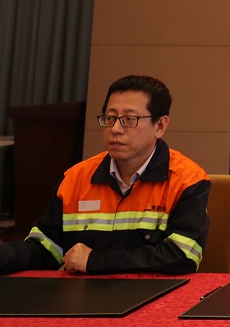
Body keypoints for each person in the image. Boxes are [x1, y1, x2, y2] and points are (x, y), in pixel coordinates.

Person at [0, 75, 211, 275]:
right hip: (82, 296)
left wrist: (94, 261)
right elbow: (46, 248)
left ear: (160, 126)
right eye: (110, 118)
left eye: (129, 119)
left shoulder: (187, 180)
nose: (116, 129)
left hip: (156, 296)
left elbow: (182, 256)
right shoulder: (76, 178)